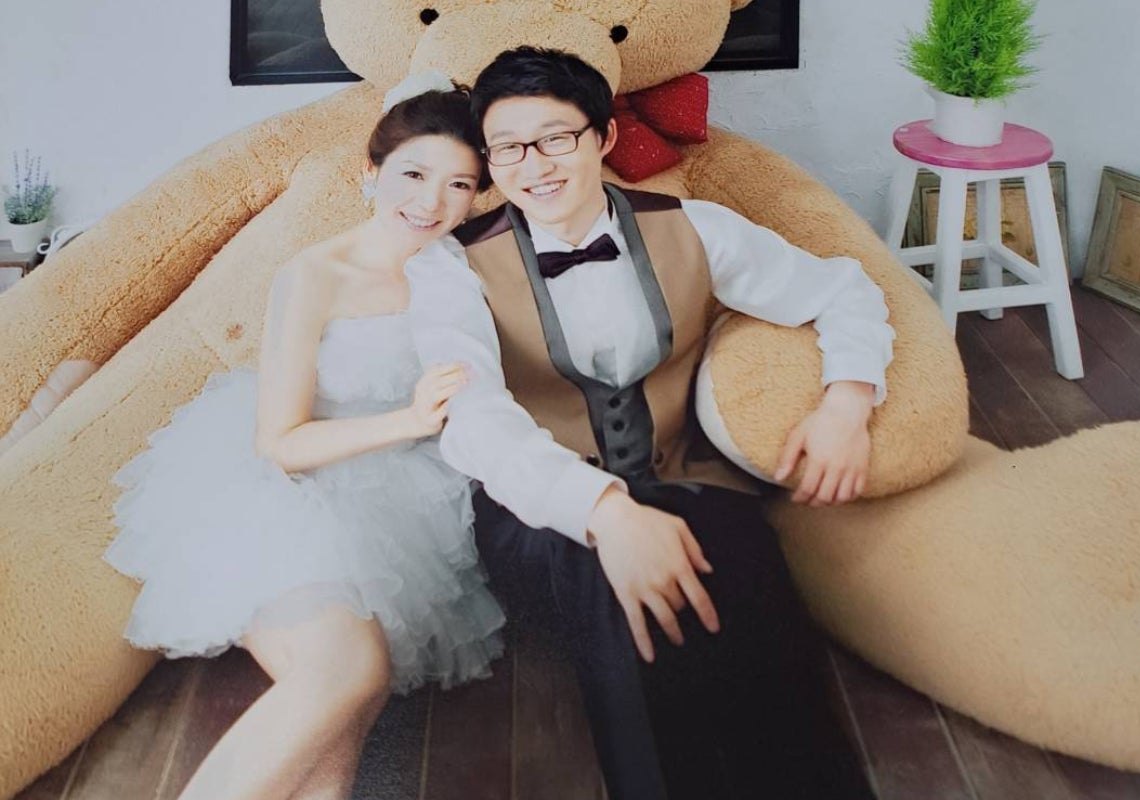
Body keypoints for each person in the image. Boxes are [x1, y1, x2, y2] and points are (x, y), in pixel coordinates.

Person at [405, 47, 894, 799]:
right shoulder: (451, 266)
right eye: (508, 148)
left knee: (751, 590)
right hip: (535, 506)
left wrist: (846, 404)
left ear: (602, 137)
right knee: (612, 594)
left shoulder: (696, 228)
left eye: (556, 138)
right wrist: (605, 512)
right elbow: (471, 417)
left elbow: (842, 289)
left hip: (683, 471)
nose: (534, 165)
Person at [102, 74, 504, 800]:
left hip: (401, 496)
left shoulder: (454, 269)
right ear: (371, 171)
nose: (432, 202)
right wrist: (411, 421)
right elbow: (280, 443)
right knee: (350, 672)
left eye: (459, 185)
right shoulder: (313, 275)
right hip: (283, 485)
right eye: (414, 174)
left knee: (351, 698)